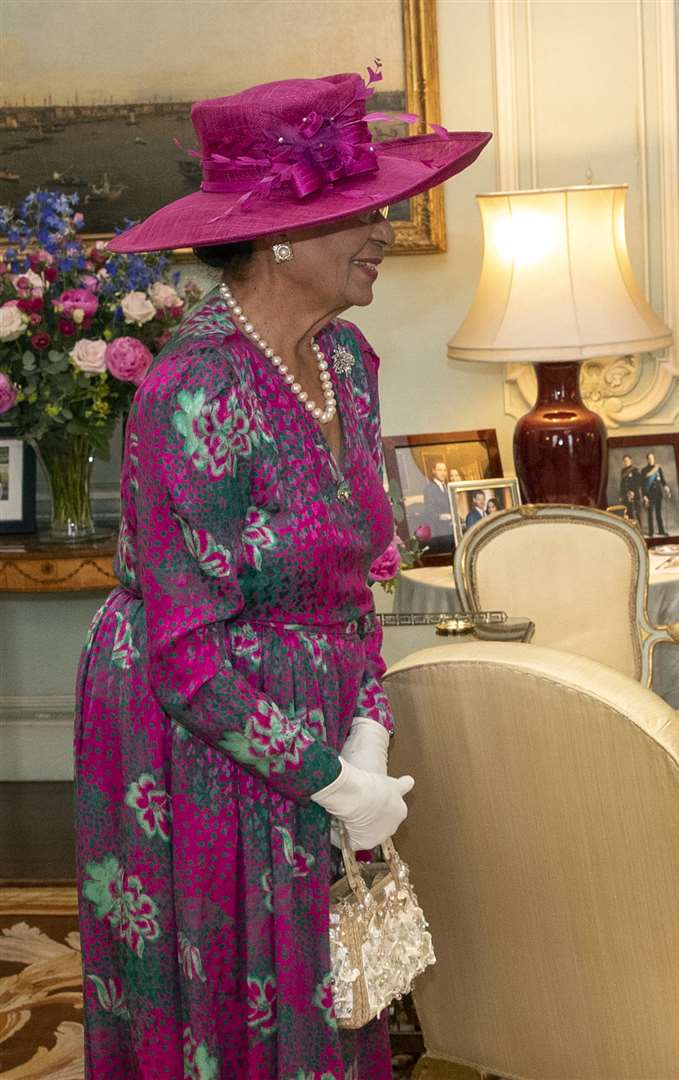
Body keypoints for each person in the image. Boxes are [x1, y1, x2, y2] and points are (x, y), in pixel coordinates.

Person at [75, 71, 489, 1078]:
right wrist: (335, 783)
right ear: (280, 240)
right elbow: (185, 653)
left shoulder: (346, 358)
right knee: (226, 996)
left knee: (329, 983)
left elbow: (360, 569)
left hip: (317, 717)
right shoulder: (193, 389)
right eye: (363, 212)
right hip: (194, 733)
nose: (386, 229)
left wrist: (369, 718)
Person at [421, 459, 454, 551]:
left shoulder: (448, 487)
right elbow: (429, 513)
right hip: (439, 532)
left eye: (445, 470)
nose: (443, 473)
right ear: (434, 471)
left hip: (450, 529)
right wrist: (442, 516)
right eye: (440, 470)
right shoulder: (429, 489)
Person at [641, 451, 669, 537]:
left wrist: (666, 486)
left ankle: (661, 531)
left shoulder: (658, 468)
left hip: (658, 494)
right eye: (649, 458)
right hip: (649, 495)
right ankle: (651, 532)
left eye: (652, 458)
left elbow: (662, 480)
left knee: (658, 513)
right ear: (647, 460)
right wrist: (644, 496)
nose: (651, 460)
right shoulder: (644, 470)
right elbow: (642, 485)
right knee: (650, 514)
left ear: (654, 459)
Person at [618, 453, 642, 525]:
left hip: (634, 494)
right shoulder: (623, 471)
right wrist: (621, 495)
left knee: (637, 511)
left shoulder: (635, 470)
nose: (626, 462)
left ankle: (640, 529)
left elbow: (638, 483)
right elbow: (622, 484)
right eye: (625, 461)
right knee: (628, 513)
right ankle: (632, 529)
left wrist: (633, 492)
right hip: (625, 494)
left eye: (627, 460)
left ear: (630, 461)